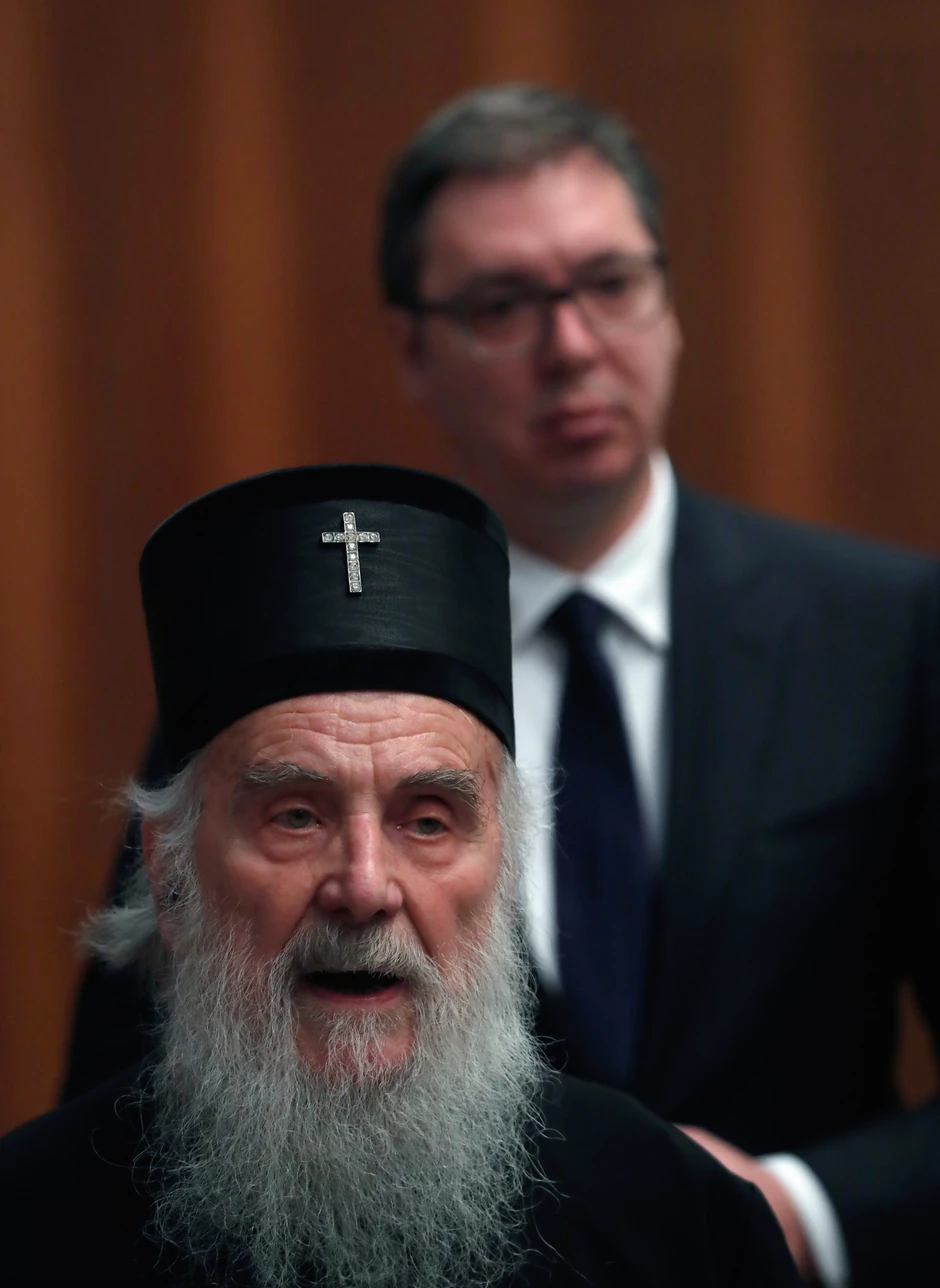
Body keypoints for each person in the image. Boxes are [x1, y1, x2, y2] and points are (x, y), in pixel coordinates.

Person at [63, 86, 940, 1285]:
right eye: (501, 304)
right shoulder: (277, 673)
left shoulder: (886, 631)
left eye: (610, 283)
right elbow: (124, 1100)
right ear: (412, 348)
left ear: (670, 302)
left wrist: (795, 1210)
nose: (570, 345)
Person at [0, 465, 801, 1288]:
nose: (365, 887)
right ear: (170, 873)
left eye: (427, 822)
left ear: (507, 864)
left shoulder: (678, 1222)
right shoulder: (23, 1228)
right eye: (296, 817)